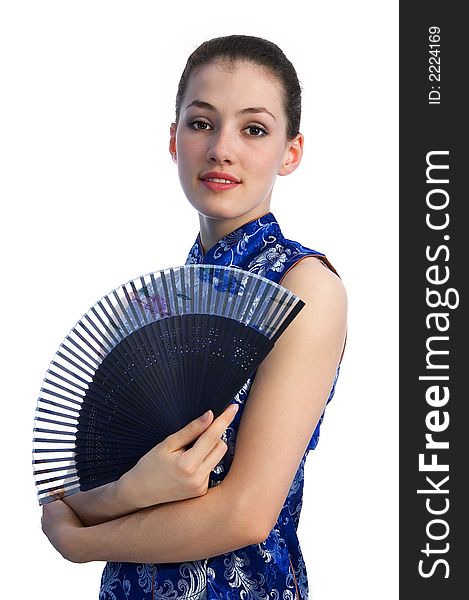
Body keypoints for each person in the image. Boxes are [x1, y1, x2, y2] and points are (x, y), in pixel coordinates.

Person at [41, 34, 347, 599]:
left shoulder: (306, 288)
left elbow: (247, 515)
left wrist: (84, 540)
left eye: (253, 129)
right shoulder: (154, 305)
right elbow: (77, 496)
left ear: (291, 151)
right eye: (202, 123)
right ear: (174, 140)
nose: (221, 149)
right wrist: (128, 493)